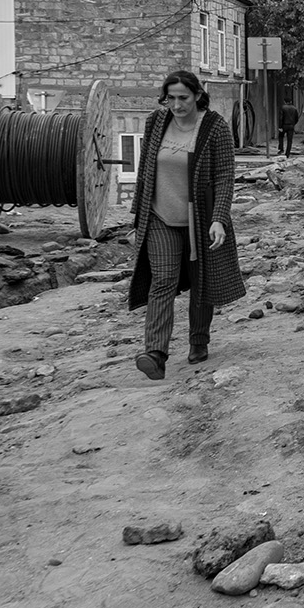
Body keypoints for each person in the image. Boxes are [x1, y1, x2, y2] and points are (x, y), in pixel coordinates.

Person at [128, 70, 247, 380]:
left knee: (199, 280)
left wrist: (219, 218)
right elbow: (145, 172)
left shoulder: (214, 127)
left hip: (200, 217)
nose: (177, 105)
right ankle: (155, 353)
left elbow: (224, 176)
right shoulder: (156, 122)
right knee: (163, 280)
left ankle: (198, 340)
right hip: (160, 217)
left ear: (197, 95)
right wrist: (136, 218)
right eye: (171, 98)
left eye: (183, 98)